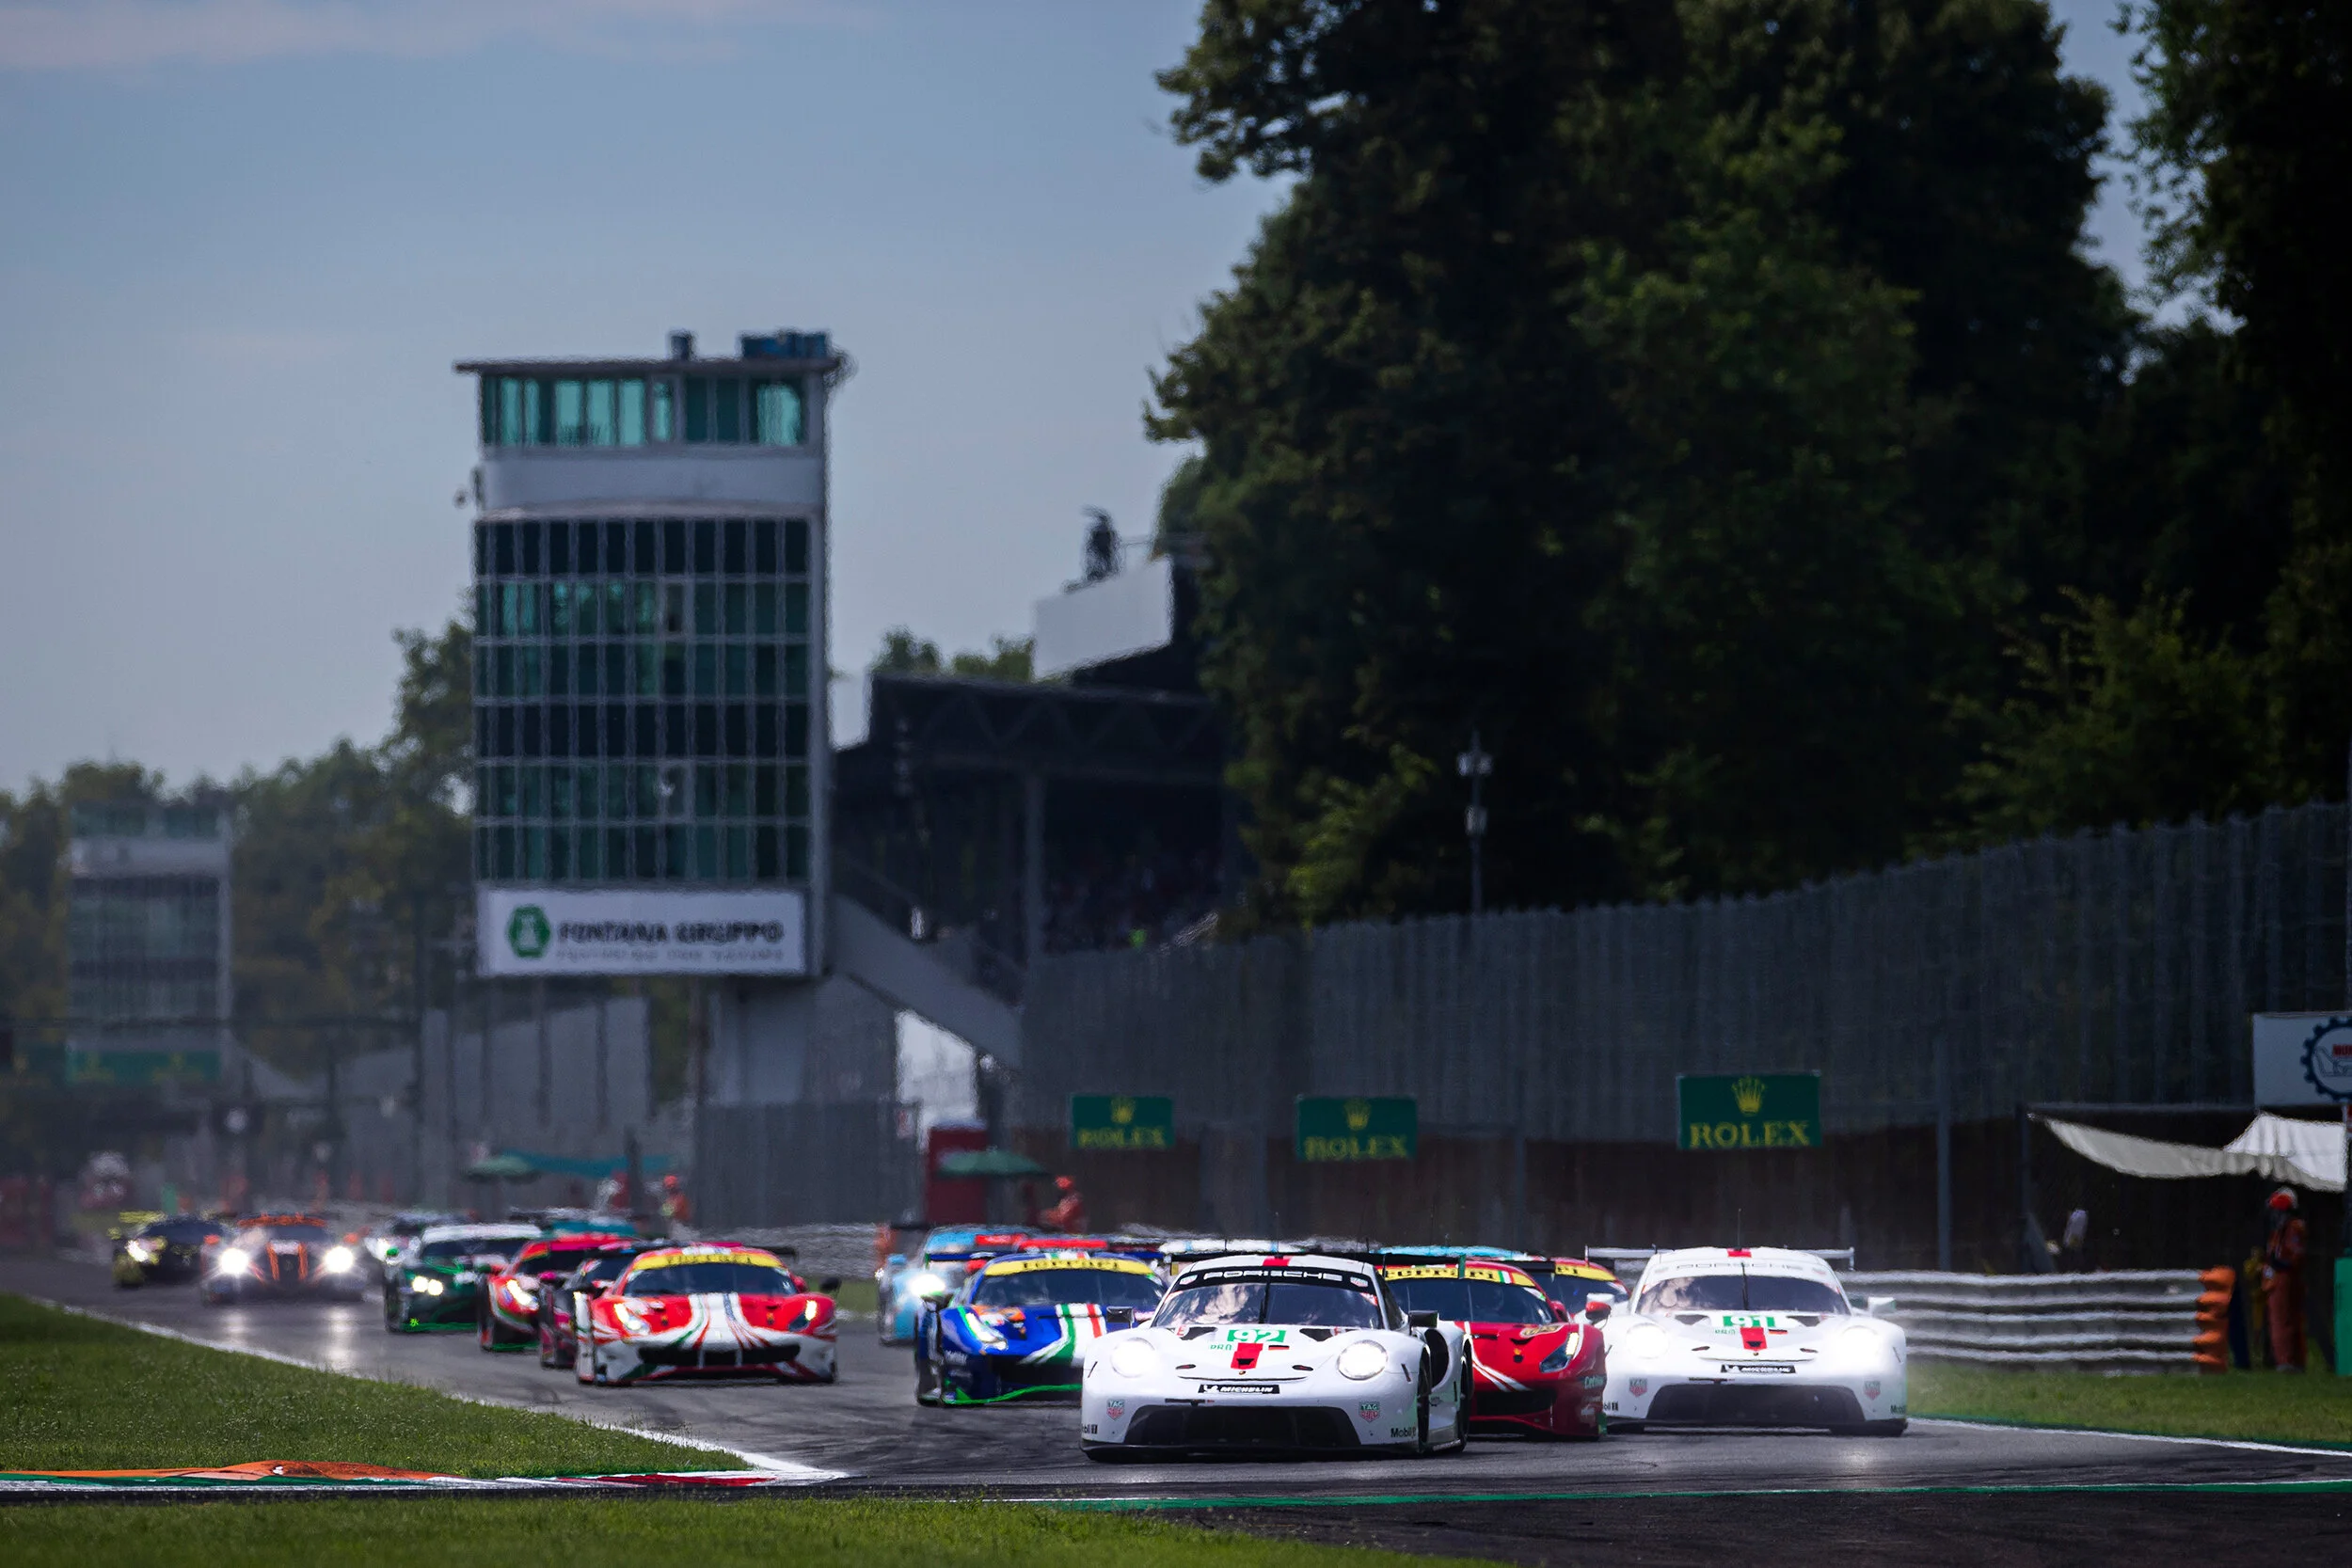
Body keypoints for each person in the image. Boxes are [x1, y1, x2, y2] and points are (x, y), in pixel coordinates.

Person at [2262, 1187, 2307, 1371]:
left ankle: (2285, 1361)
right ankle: (2294, 1360)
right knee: (2291, 1319)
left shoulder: (2292, 1227)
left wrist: (2277, 1264)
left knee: (2281, 1320)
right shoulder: (2286, 1228)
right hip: (2286, 1274)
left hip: (2283, 1275)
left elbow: (2293, 1254)